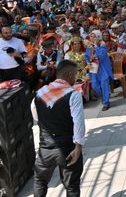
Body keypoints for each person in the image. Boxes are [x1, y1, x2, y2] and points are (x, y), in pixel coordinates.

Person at [31, 60, 85, 197]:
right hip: (68, 147)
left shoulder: (39, 93)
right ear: (69, 74)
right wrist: (78, 146)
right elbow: (78, 122)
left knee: (39, 181)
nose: (75, 77)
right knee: (71, 186)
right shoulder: (73, 94)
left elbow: (36, 115)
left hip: (45, 147)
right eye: (75, 73)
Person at [85, 32, 112, 111]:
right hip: (93, 69)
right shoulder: (89, 47)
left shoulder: (102, 46)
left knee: (104, 84)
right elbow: (86, 56)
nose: (93, 38)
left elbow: (101, 56)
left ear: (98, 37)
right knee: (94, 86)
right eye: (91, 36)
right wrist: (87, 62)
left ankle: (106, 103)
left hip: (103, 69)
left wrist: (96, 47)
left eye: (95, 36)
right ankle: (105, 95)